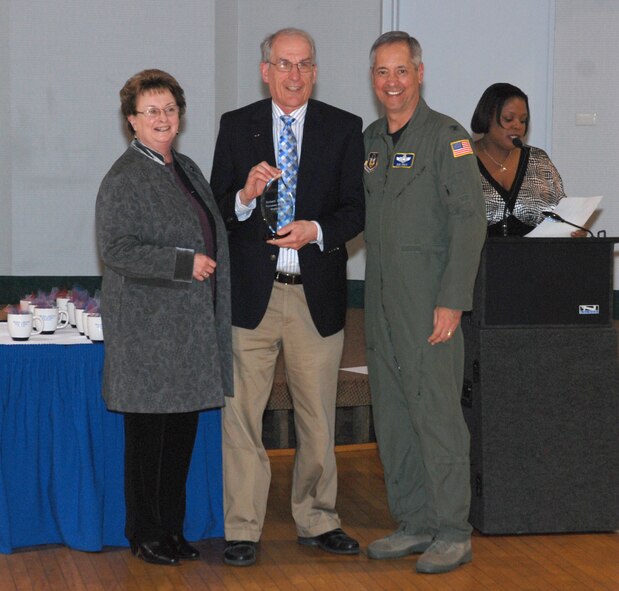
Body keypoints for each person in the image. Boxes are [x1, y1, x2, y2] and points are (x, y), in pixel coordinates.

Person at [210, 28, 365, 567]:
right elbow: (217, 210)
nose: (294, 75)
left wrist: (317, 229)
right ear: (265, 70)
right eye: (283, 64)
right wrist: (245, 197)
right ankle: (243, 528)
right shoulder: (236, 127)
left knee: (317, 416)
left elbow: (355, 210)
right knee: (241, 417)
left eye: (304, 65)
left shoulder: (344, 128)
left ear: (315, 72)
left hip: (313, 294)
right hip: (252, 294)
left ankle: (319, 519)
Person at [96, 69, 232, 566]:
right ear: (132, 120)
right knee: (148, 442)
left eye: (170, 109)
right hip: (148, 335)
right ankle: (145, 533)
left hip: (186, 332)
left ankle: (171, 530)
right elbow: (116, 250)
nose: (163, 118)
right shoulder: (124, 177)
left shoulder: (186, 167)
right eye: (151, 111)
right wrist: (184, 262)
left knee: (178, 438)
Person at [362, 32, 486, 574]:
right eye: (381, 72)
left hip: (430, 303)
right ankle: (413, 522)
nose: (392, 83)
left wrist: (452, 300)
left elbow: (468, 219)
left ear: (419, 73)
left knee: (436, 416)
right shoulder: (369, 141)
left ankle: (453, 531)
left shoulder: (448, 138)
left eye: (401, 71)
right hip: (381, 303)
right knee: (392, 414)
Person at [471, 82, 577, 236]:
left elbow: (561, 213)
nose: (517, 126)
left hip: (536, 257)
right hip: (481, 258)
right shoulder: (462, 160)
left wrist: (572, 230)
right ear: (487, 117)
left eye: (523, 120)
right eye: (508, 119)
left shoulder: (538, 160)